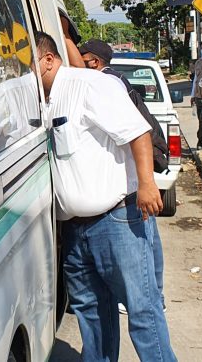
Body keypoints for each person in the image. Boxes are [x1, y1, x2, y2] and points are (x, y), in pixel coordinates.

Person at [35, 31, 176, 362]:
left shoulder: (90, 85)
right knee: (93, 316)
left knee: (143, 311)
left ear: (49, 60)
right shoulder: (46, 98)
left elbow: (138, 131)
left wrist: (146, 185)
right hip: (74, 229)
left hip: (117, 221)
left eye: (25, 66)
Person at [77, 38, 167, 315]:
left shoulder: (105, 84)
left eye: (81, 59)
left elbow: (137, 134)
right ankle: (155, 297)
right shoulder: (111, 79)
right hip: (140, 172)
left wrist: (145, 182)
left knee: (143, 243)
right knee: (149, 241)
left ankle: (151, 299)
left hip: (130, 182)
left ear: (93, 61)